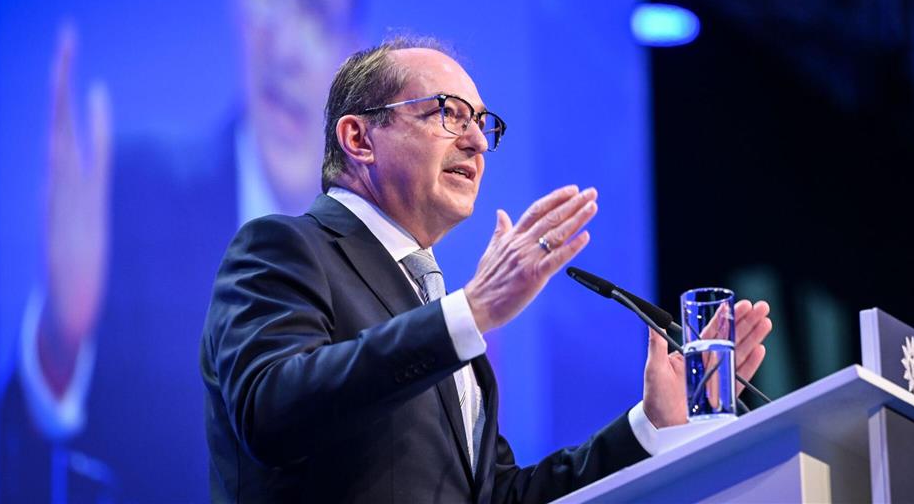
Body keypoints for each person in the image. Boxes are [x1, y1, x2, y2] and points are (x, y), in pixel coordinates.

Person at [201, 38, 772, 503]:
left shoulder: (435, 312)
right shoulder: (284, 247)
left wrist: (650, 425)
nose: (476, 141)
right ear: (359, 138)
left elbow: (501, 498)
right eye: (447, 113)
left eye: (481, 123)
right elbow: (270, 411)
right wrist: (468, 313)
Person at [0, 0, 356, 502]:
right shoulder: (132, 205)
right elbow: (14, 472)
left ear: (355, 49)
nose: (284, 43)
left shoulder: (392, 280)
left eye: (314, 1)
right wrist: (60, 341)